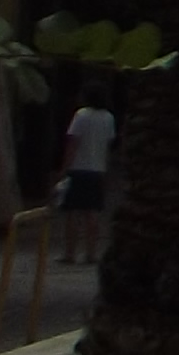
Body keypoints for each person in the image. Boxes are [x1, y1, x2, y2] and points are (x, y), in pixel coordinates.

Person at [55, 87, 118, 261]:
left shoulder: (81, 115)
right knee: (93, 213)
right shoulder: (108, 118)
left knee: (73, 213)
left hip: (78, 169)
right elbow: (107, 147)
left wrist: (64, 169)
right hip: (97, 169)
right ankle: (91, 253)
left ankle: (70, 253)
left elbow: (73, 144)